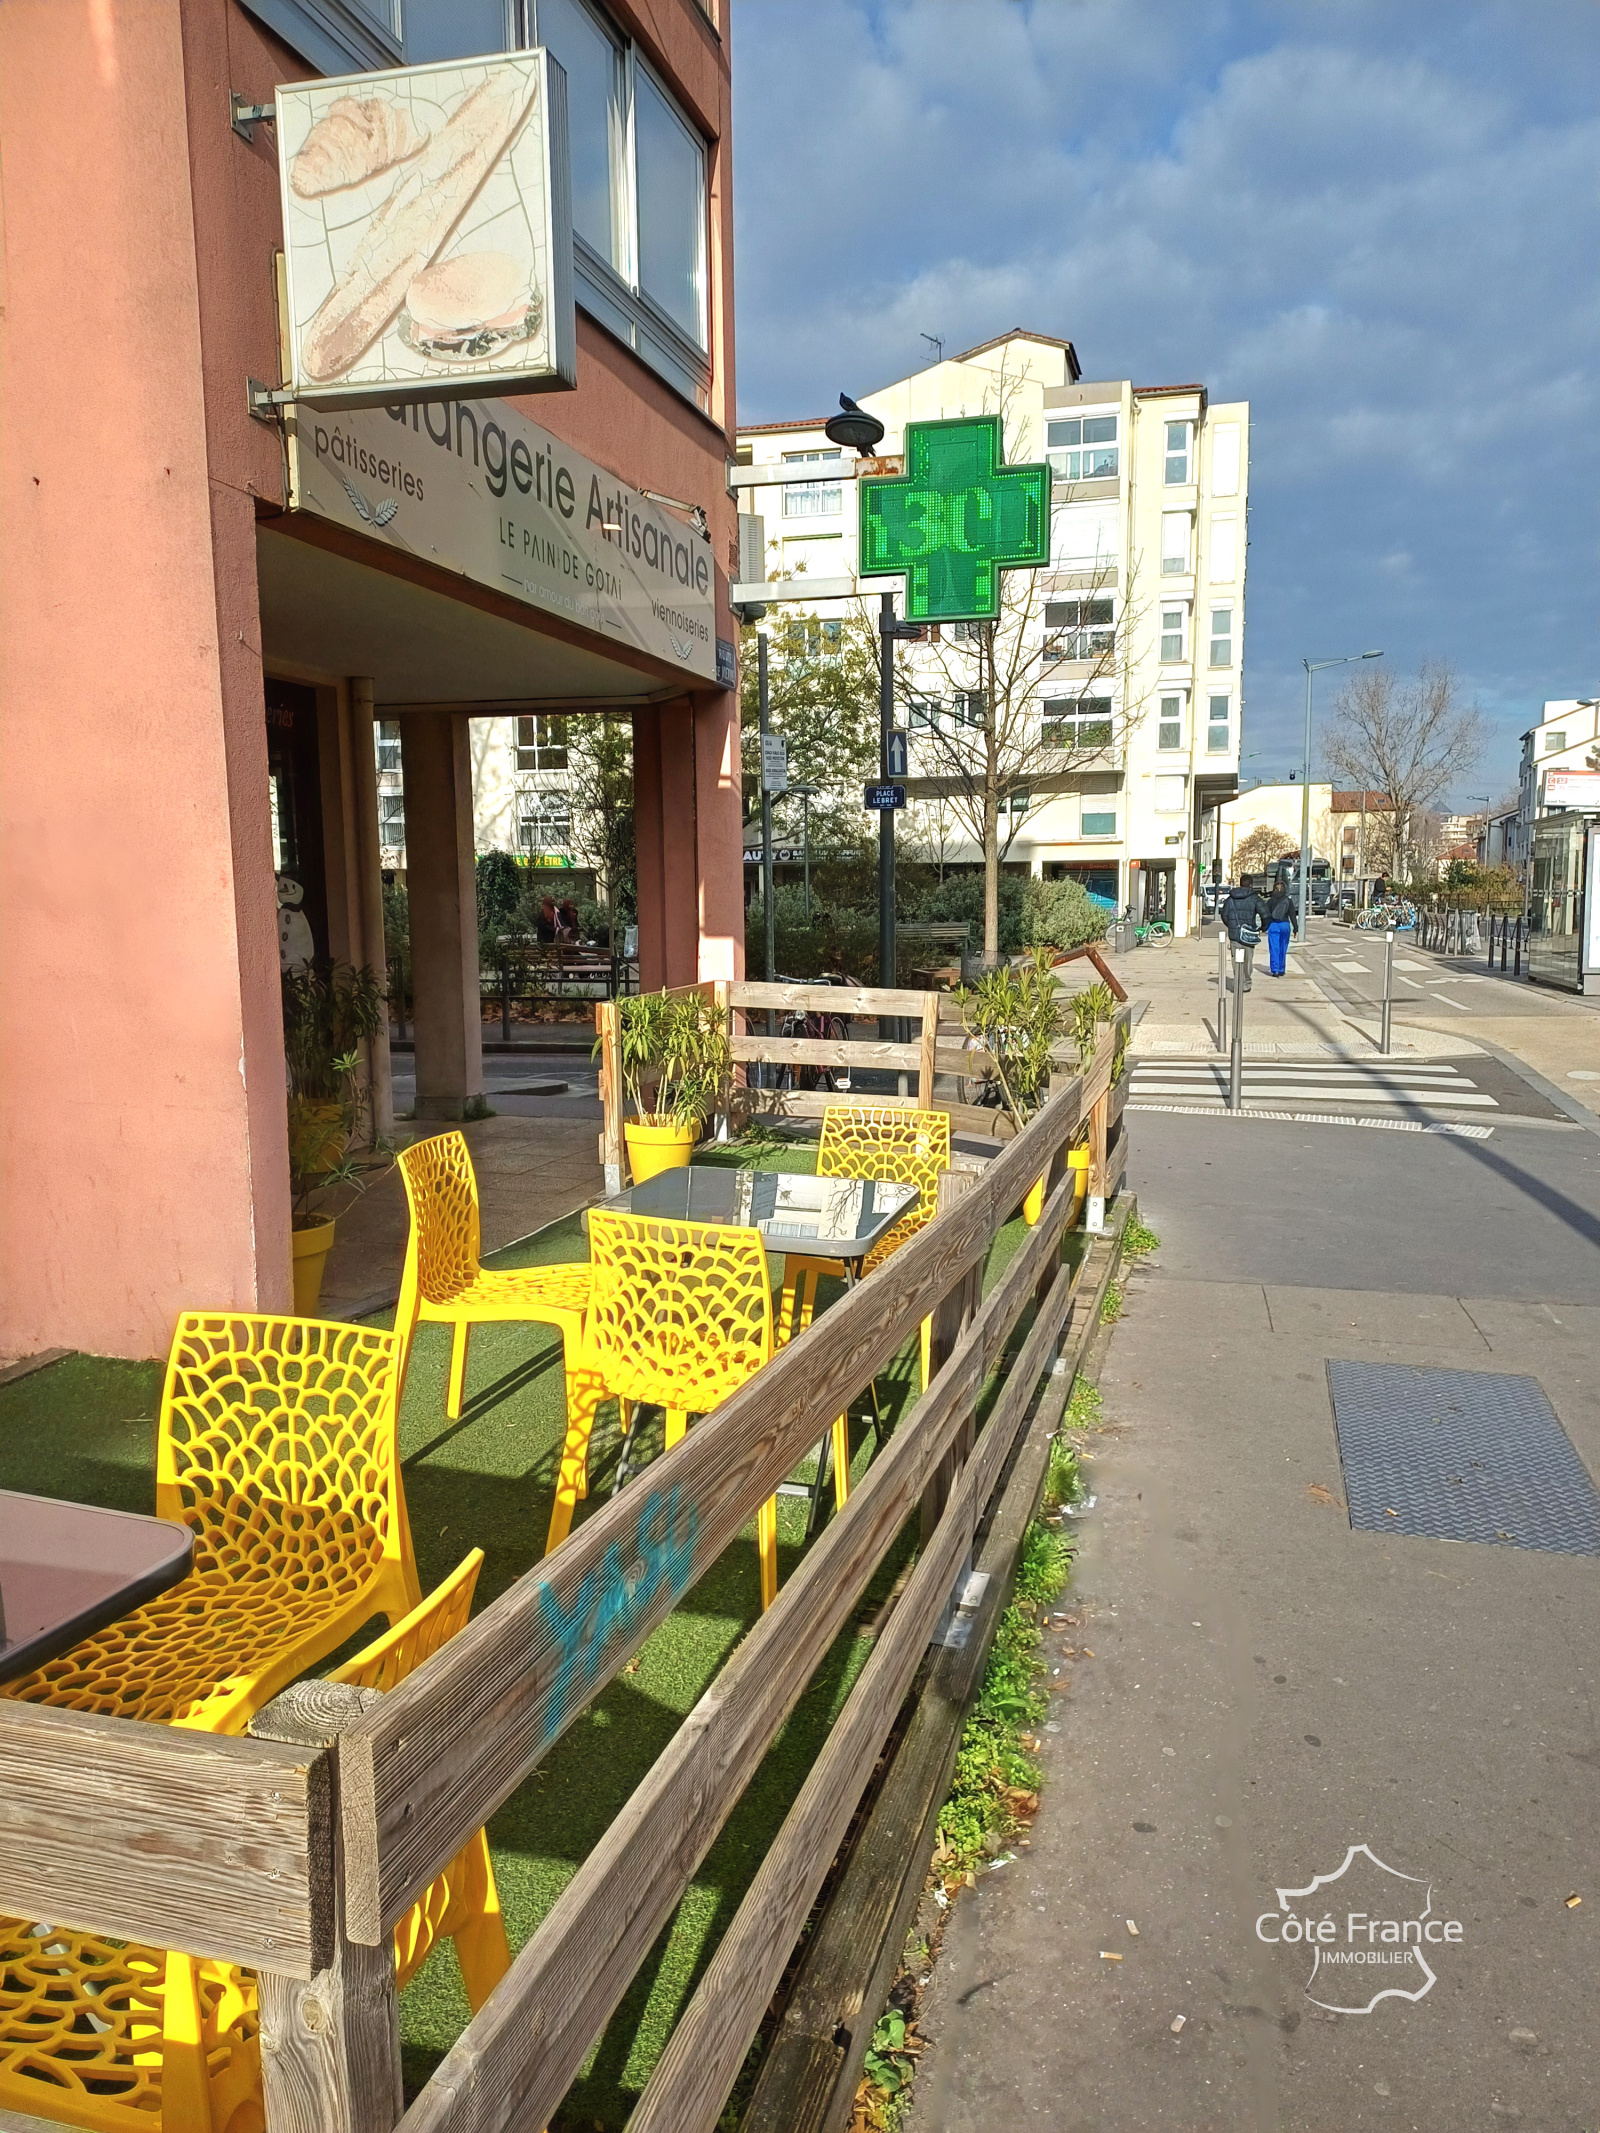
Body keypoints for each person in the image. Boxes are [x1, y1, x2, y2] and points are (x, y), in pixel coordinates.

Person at [1219, 880, 1269, 990]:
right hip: (1249, 935)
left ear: (1240, 884)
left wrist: (1232, 926)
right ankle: (1246, 982)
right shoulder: (1255, 898)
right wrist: (1262, 928)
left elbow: (1224, 915)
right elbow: (1265, 915)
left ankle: (1238, 982)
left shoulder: (1230, 899)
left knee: (1236, 960)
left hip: (1235, 935)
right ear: (1251, 885)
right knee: (1248, 960)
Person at [1265, 884, 1298, 977]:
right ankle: (1281, 969)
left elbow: (1265, 915)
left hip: (1273, 925)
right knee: (1283, 947)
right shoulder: (1288, 900)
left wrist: (1264, 927)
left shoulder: (1270, 901)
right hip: (1285, 925)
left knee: (1274, 948)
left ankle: (1275, 969)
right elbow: (1292, 915)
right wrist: (1295, 928)